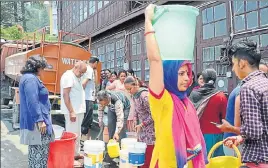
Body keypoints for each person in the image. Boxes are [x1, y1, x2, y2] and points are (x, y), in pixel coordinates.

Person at [144, 4, 207, 168]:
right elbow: (156, 61)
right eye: (181, 73)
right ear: (170, 75)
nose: (187, 78)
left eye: (188, 73)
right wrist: (148, 21)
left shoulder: (187, 102)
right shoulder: (162, 100)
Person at [219, 40, 268, 167]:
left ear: (242, 63)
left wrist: (230, 129)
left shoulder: (248, 88)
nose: (234, 69)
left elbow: (254, 132)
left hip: (258, 160)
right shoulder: (264, 83)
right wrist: (240, 138)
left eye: (234, 64)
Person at [19, 55, 53, 168]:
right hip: (37, 125)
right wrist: (40, 120)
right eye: (43, 68)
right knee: (39, 156)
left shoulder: (28, 77)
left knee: (36, 155)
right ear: (38, 67)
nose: (44, 71)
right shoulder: (30, 79)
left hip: (37, 122)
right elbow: (32, 101)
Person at [189, 69, 227, 157]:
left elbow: (189, 113)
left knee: (201, 160)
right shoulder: (220, 96)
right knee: (215, 160)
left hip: (197, 133)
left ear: (204, 79)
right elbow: (224, 117)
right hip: (215, 133)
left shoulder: (194, 94)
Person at [60, 61, 87, 167]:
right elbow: (65, 94)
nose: (82, 75)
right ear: (76, 68)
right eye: (81, 72)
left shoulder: (76, 76)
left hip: (78, 111)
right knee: (71, 135)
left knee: (77, 134)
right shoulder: (68, 76)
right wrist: (71, 111)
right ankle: (69, 158)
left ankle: (75, 154)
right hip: (73, 111)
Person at [124, 76, 155, 168]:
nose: (129, 92)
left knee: (149, 154)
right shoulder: (135, 96)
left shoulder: (144, 95)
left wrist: (142, 124)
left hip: (151, 130)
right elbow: (137, 111)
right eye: (127, 90)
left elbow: (154, 114)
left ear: (136, 85)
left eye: (130, 89)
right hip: (142, 129)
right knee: (141, 153)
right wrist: (135, 120)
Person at [81, 56, 99, 139]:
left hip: (88, 97)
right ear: (95, 63)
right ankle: (83, 137)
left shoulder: (88, 69)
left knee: (87, 118)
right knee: (87, 119)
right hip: (87, 97)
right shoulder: (89, 70)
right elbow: (84, 83)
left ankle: (84, 138)